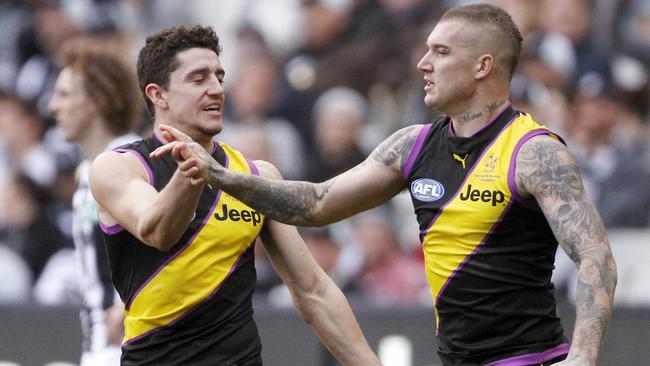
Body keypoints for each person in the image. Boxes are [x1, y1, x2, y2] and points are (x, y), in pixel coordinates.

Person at [153, 4, 618, 366]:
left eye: (440, 52)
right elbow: (315, 204)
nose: (422, 64)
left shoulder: (534, 151)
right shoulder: (412, 146)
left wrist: (583, 355)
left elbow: (595, 254)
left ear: (482, 66)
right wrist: (221, 176)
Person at [88, 25, 379, 366]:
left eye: (219, 77)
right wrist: (192, 171)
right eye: (199, 79)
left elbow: (313, 290)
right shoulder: (120, 167)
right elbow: (157, 231)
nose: (216, 89)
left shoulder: (256, 176)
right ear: (158, 94)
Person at [47, 37, 142, 365]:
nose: (52, 107)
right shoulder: (87, 172)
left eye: (64, 95)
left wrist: (126, 306)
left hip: (128, 348)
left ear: (98, 100)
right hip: (100, 347)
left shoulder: (131, 164)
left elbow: (168, 242)